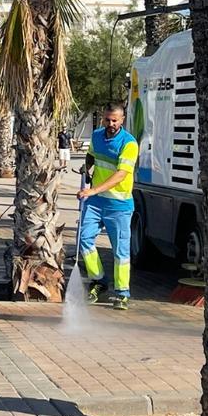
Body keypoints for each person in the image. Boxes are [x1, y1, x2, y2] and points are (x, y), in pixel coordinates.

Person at [77, 105, 140, 311]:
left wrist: (92, 191)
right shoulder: (96, 136)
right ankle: (99, 281)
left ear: (122, 120)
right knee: (84, 240)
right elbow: (91, 155)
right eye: (107, 120)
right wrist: (86, 167)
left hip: (119, 205)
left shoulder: (129, 144)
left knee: (120, 251)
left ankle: (122, 293)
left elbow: (121, 175)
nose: (111, 124)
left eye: (115, 120)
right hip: (96, 203)